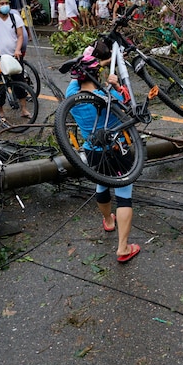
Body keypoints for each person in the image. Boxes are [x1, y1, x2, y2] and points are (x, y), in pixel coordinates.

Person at [65, 46, 140, 263]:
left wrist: (97, 60)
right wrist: (116, 84)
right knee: (124, 192)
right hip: (117, 150)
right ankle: (123, 248)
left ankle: (108, 220)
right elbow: (128, 105)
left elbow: (80, 73)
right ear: (96, 75)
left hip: (92, 152)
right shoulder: (108, 95)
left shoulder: (72, 95)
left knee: (101, 183)